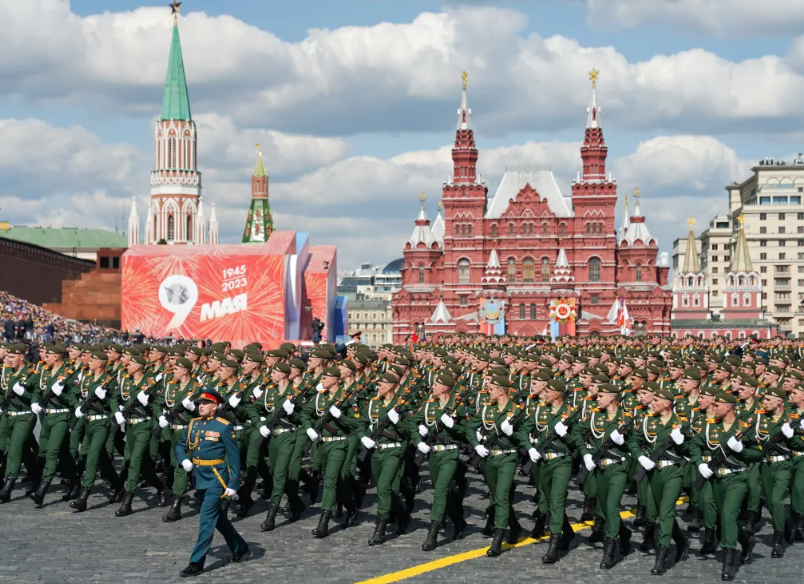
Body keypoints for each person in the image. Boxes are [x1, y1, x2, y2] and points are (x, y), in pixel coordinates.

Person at [176, 389, 248, 577]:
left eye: (205, 403)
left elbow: (234, 458)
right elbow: (180, 445)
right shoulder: (193, 424)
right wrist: (183, 458)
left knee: (206, 520)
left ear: (215, 406)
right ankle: (239, 546)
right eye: (200, 403)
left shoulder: (224, 427)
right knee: (218, 519)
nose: (201, 406)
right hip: (199, 478)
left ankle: (196, 562)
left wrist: (233, 483)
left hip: (217, 478)